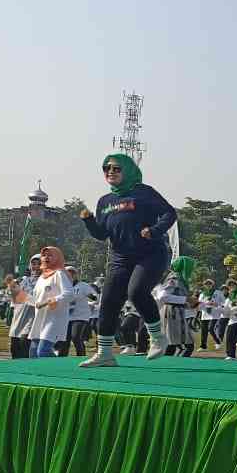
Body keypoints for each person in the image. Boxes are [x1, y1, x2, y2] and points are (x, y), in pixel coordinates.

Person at [78, 153, 177, 366]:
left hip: (150, 253)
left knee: (136, 291)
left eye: (116, 168)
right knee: (109, 302)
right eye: (106, 169)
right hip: (120, 258)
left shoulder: (143, 192)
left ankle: (158, 337)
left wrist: (154, 230)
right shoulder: (105, 201)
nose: (110, 172)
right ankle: (105, 353)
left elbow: (169, 213)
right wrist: (89, 221)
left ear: (128, 170)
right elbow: (102, 234)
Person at [27, 246, 74, 358]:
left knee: (43, 351)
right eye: (44, 255)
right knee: (33, 353)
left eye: (50, 255)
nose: (46, 257)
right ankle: (36, 375)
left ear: (57, 258)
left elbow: (69, 294)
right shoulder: (41, 278)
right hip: (40, 318)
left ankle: (59, 370)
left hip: (54, 319)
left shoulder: (59, 274)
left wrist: (49, 301)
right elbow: (37, 299)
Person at [156, 257, 195, 357]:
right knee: (185, 345)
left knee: (173, 345)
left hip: (177, 312)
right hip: (173, 313)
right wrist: (186, 299)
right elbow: (163, 296)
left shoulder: (180, 279)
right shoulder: (174, 278)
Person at [8, 255, 42, 358]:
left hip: (32, 319)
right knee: (14, 350)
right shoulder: (23, 279)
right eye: (33, 264)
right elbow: (9, 295)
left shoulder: (44, 281)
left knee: (24, 347)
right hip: (18, 318)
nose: (35, 266)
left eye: (39, 264)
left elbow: (37, 300)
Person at [58, 266, 95, 357]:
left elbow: (95, 296)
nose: (70, 275)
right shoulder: (62, 286)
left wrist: (91, 297)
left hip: (80, 316)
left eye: (72, 273)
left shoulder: (83, 285)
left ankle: (81, 356)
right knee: (64, 339)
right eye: (67, 273)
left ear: (75, 275)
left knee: (75, 337)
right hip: (67, 316)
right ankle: (61, 359)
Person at [197, 279, 222, 350]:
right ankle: (203, 346)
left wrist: (217, 304)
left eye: (209, 284)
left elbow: (223, 302)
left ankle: (218, 342)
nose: (208, 285)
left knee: (211, 329)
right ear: (204, 285)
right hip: (205, 314)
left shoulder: (218, 292)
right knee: (204, 331)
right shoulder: (202, 294)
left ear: (212, 285)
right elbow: (199, 304)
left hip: (214, 314)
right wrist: (205, 303)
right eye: (206, 284)